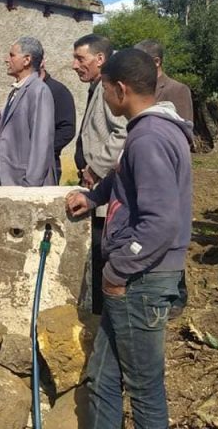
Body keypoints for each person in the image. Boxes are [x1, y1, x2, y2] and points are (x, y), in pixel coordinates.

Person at [65, 48, 193, 429]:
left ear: (121, 89)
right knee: (102, 378)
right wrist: (94, 197)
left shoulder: (148, 138)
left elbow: (160, 222)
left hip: (141, 281)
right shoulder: (149, 130)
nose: (104, 97)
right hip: (136, 278)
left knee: (144, 389)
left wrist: (118, 270)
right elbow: (125, 178)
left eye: (105, 89)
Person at [134, 38, 194, 317]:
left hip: (167, 171)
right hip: (146, 167)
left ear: (156, 62)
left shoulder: (177, 90)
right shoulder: (139, 87)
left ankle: (177, 295)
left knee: (172, 230)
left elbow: (184, 132)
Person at [72, 33, 128, 315]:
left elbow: (122, 132)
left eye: (80, 58)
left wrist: (95, 168)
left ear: (100, 59)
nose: (75, 65)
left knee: (102, 255)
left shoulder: (108, 91)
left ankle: (104, 317)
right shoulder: (95, 88)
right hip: (96, 187)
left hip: (105, 191)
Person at [0, 37, 56, 187]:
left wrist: (31, 185)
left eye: (12, 55)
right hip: (10, 181)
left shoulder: (38, 90)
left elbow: (42, 141)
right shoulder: (17, 90)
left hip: (25, 184)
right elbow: (9, 137)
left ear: (26, 60)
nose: (6, 60)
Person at [134, 39, 194, 122]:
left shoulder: (177, 90)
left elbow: (184, 126)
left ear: (156, 62)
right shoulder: (136, 88)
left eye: (138, 62)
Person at [39, 59, 76, 183]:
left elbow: (67, 129)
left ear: (41, 62)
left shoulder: (57, 90)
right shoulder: (20, 91)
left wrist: (42, 150)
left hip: (46, 165)